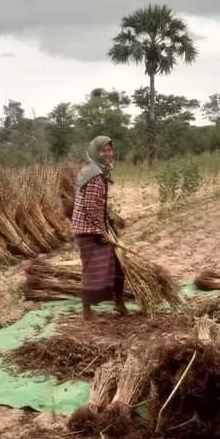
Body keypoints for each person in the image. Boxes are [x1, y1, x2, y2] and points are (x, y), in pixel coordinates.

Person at [71, 135, 128, 320]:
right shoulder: (94, 174)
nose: (108, 153)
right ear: (96, 152)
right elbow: (90, 206)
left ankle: (119, 303)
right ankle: (87, 311)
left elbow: (98, 204)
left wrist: (108, 223)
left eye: (110, 150)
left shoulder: (97, 170)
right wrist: (103, 231)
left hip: (95, 227)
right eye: (103, 150)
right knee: (92, 271)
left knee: (117, 266)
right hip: (88, 231)